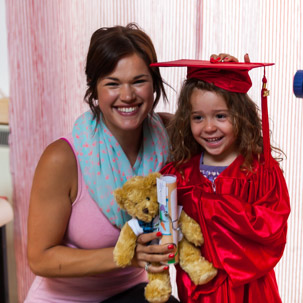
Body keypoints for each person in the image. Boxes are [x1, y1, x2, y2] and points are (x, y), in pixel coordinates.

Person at [25, 22, 245, 302]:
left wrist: (227, 81)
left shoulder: (170, 135)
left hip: (135, 294)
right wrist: (130, 255)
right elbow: (40, 258)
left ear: (155, 85)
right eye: (113, 84)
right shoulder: (62, 158)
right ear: (94, 89)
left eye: (139, 81)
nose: (127, 96)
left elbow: (226, 142)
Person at [156, 60, 291, 302]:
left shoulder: (259, 172)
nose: (208, 127)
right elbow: (167, 233)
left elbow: (271, 232)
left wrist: (207, 205)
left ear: (241, 116)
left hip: (251, 293)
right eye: (198, 117)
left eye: (220, 116)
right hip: (199, 291)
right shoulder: (179, 175)